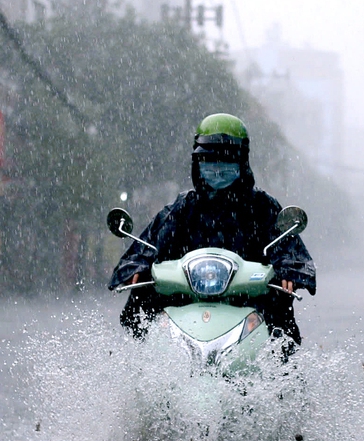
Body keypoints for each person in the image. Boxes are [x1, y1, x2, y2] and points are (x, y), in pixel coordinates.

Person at [108, 113, 316, 344]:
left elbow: (288, 249)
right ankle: (139, 364)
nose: (217, 169)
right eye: (209, 162)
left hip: (249, 301)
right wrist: (137, 266)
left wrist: (289, 270)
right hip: (186, 301)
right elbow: (148, 245)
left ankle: (284, 375)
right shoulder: (182, 208)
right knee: (139, 301)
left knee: (282, 320)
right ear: (197, 164)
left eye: (226, 162)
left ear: (242, 162)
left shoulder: (264, 208)